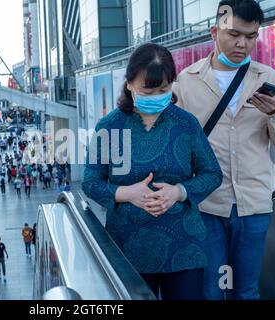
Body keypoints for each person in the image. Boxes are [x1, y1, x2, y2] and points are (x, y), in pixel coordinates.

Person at [173, 0, 275, 300]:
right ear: (214, 32)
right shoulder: (187, 81)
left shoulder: (267, 77)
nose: (243, 44)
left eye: (251, 36)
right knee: (211, 292)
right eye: (234, 34)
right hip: (206, 207)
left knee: (247, 292)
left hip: (253, 206)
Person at [82, 43, 223, 300]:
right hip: (127, 248)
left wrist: (180, 191)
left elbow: (212, 174)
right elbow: (90, 182)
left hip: (184, 247)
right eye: (148, 90)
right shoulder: (110, 126)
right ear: (129, 84)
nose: (157, 96)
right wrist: (127, 193)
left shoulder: (186, 123)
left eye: (164, 90)